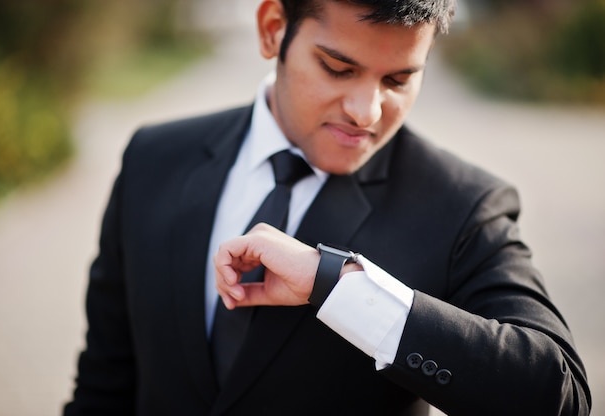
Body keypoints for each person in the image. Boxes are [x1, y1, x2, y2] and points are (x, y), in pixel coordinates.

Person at [64, 0, 591, 415]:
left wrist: (337, 286)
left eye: (398, 79)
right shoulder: (154, 158)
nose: (367, 112)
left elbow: (557, 394)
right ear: (273, 28)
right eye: (338, 68)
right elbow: (104, 383)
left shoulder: (464, 206)